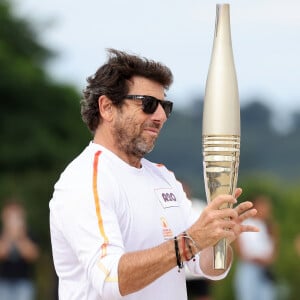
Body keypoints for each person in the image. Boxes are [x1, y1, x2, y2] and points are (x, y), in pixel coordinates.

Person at [49, 49, 258, 300]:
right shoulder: (84, 180)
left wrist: (217, 239)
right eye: (147, 104)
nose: (160, 116)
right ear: (107, 107)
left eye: (164, 106)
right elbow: (110, 279)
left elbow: (208, 268)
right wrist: (190, 242)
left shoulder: (163, 178)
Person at [234, 195, 278, 300]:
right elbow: (239, 249)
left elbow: (275, 249)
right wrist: (255, 259)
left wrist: (267, 260)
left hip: (265, 268)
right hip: (248, 267)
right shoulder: (245, 225)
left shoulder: (270, 226)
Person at [0, 200, 40, 300]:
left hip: (24, 283)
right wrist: (8, 235)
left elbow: (33, 255)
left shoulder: (29, 234)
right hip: (4, 282)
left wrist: (20, 237)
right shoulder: (2, 234)